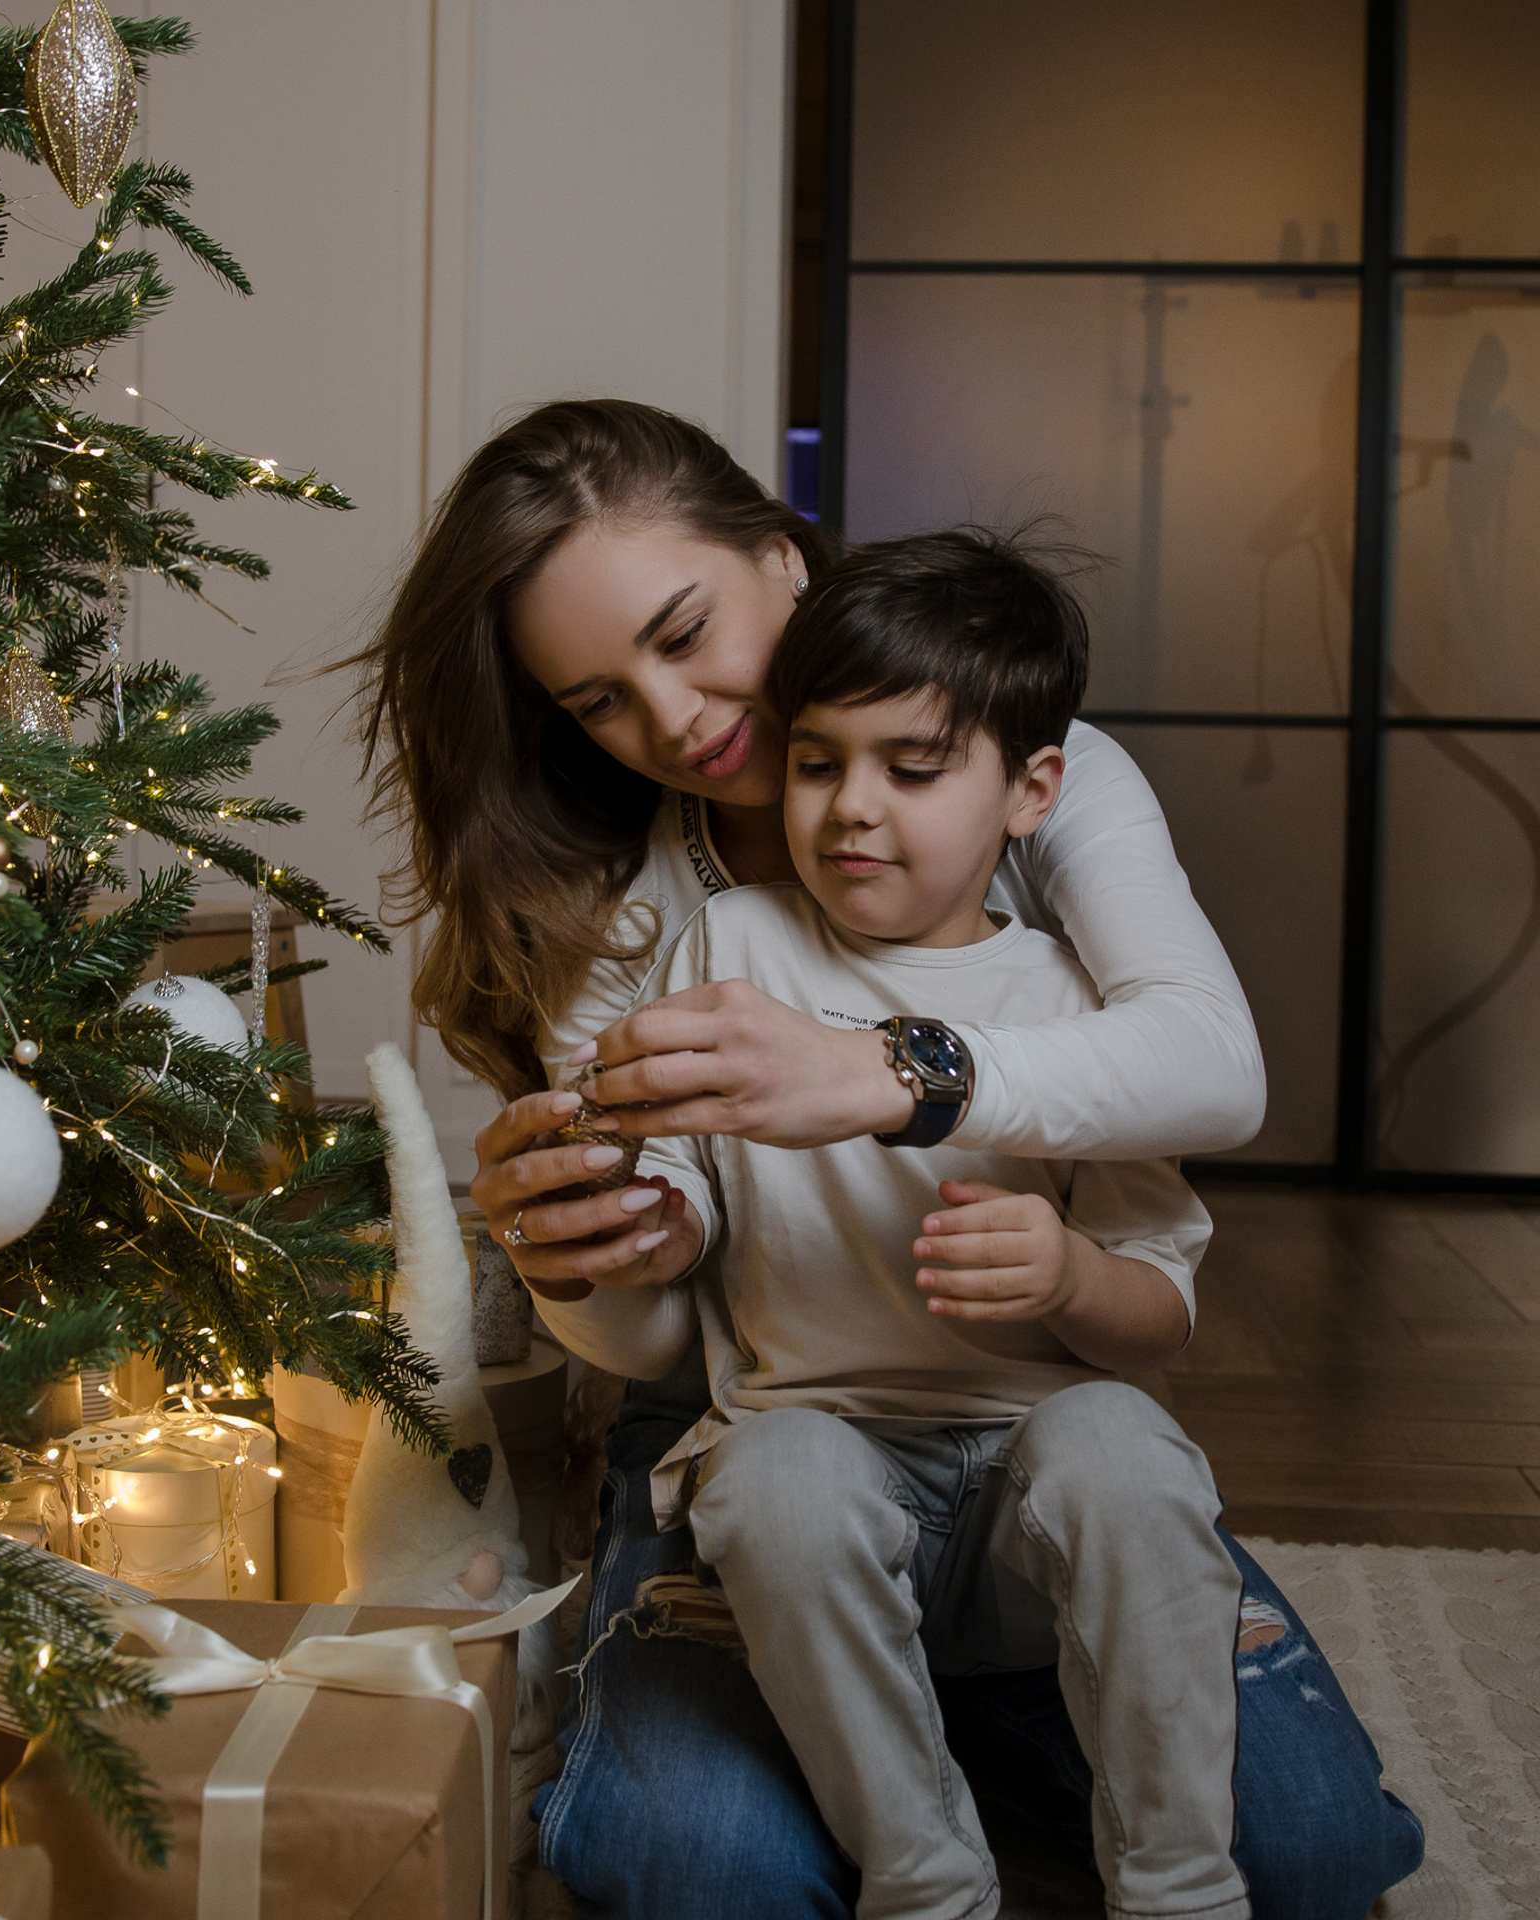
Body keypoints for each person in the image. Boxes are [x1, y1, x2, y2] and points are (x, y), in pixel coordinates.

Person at [357, 399, 1425, 1917]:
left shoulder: (1014, 767)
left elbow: (1211, 1069)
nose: (671, 718)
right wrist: (588, 1262)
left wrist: (874, 1072)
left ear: (784, 562)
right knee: (695, 1871)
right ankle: (905, 1748)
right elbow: (660, 1329)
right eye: (599, 699)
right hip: (767, 1412)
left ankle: (975, 1700)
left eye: (685, 630)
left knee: (1309, 1854)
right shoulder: (637, 905)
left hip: (1029, 1418)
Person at [533, 530, 1294, 1917]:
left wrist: (1068, 1275)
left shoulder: (1080, 1009)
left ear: (1031, 791)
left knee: (1119, 1444)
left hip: (1026, 1519)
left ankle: (1180, 1884)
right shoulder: (733, 950)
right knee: (773, 1474)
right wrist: (630, 1225)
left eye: (914, 769)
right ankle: (926, 1876)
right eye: (818, 763)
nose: (851, 810)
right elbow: (683, 1205)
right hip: (814, 1504)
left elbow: (1158, 1314)